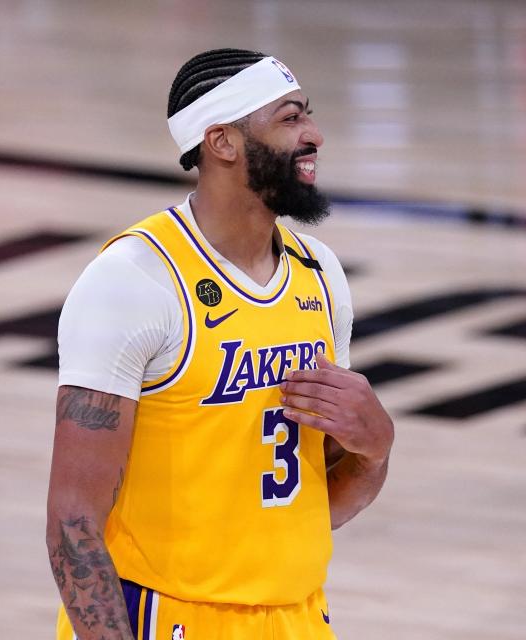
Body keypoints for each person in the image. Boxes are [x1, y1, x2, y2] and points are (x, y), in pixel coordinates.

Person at [46, 48, 394, 640]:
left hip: (299, 617)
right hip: (167, 618)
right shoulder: (135, 279)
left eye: (306, 115)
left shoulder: (320, 273)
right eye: (290, 119)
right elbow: (72, 520)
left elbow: (314, 498)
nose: (314, 135)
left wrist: (375, 445)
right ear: (223, 142)